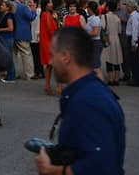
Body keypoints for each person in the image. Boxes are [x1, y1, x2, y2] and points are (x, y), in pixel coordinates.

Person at [34, 27, 125, 175]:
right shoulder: (84, 93)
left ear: (65, 57)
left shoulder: (90, 101)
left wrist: (51, 170)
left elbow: (101, 166)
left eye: (52, 55)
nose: (50, 61)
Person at [12, 0, 38, 80]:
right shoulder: (22, 7)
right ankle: (29, 74)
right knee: (26, 54)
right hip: (23, 33)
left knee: (13, 55)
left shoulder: (11, 6)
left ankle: (14, 73)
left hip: (12, 33)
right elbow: (31, 17)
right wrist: (33, 11)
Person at [101, 0, 124, 86]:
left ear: (107, 7)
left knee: (109, 59)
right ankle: (116, 79)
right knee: (117, 59)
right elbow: (119, 31)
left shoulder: (104, 17)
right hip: (116, 39)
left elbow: (103, 28)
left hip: (108, 39)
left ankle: (110, 79)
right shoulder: (117, 18)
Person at [40, 0, 59, 95]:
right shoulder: (47, 15)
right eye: (50, 2)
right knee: (56, 65)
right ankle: (59, 87)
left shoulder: (44, 14)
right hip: (50, 43)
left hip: (46, 42)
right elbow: (51, 31)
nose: (51, 4)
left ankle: (47, 86)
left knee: (49, 66)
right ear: (46, 4)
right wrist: (56, 20)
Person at [125, 0, 139, 86]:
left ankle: (137, 80)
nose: (127, 8)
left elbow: (135, 29)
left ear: (132, 7)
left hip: (134, 38)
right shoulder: (135, 15)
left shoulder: (134, 16)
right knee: (136, 61)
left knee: (135, 61)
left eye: (128, 6)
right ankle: (138, 79)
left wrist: (134, 43)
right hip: (135, 38)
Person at [84, 0, 106, 81]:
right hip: (93, 43)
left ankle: (102, 85)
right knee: (94, 65)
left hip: (95, 43)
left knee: (96, 66)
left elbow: (95, 33)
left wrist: (84, 34)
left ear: (89, 9)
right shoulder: (92, 18)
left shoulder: (94, 19)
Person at [0, 0, 16, 83]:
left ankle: (11, 76)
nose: (1, 6)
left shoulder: (9, 16)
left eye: (3, 5)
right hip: (5, 38)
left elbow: (11, 28)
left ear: (7, 8)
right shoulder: (6, 15)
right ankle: (9, 75)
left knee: (8, 57)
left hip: (7, 38)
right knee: (7, 56)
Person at [29, 0, 44, 79]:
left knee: (38, 55)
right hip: (32, 36)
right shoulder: (30, 11)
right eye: (29, 2)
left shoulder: (39, 11)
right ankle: (37, 71)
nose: (29, 4)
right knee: (34, 55)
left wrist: (39, 34)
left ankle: (40, 72)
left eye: (31, 2)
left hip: (37, 35)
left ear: (35, 3)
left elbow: (39, 24)